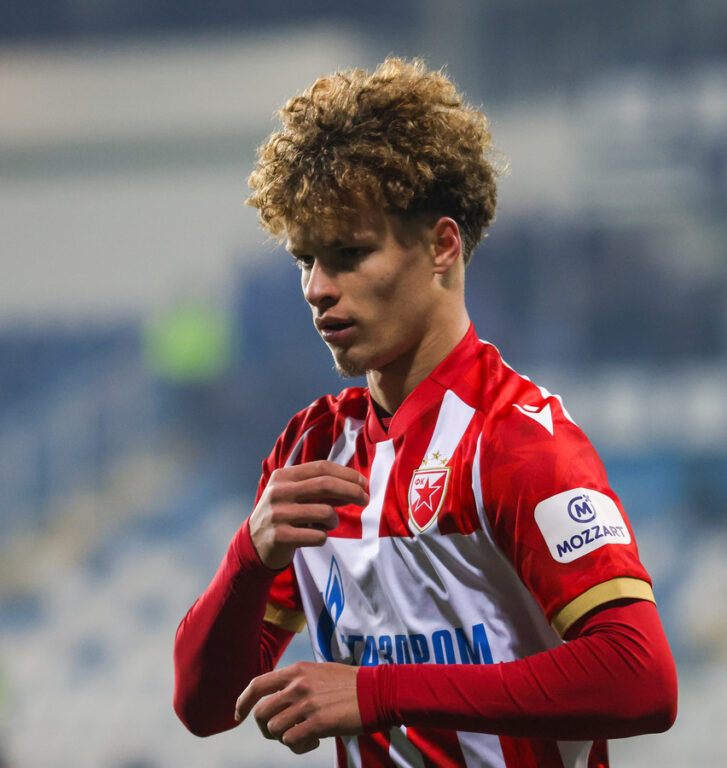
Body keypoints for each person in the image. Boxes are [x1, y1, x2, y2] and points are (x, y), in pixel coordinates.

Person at [173, 58, 677, 767]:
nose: (318, 288)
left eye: (351, 253)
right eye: (306, 260)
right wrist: (247, 558)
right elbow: (204, 707)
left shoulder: (516, 440)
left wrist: (380, 692)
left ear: (442, 246)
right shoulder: (312, 448)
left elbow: (642, 681)